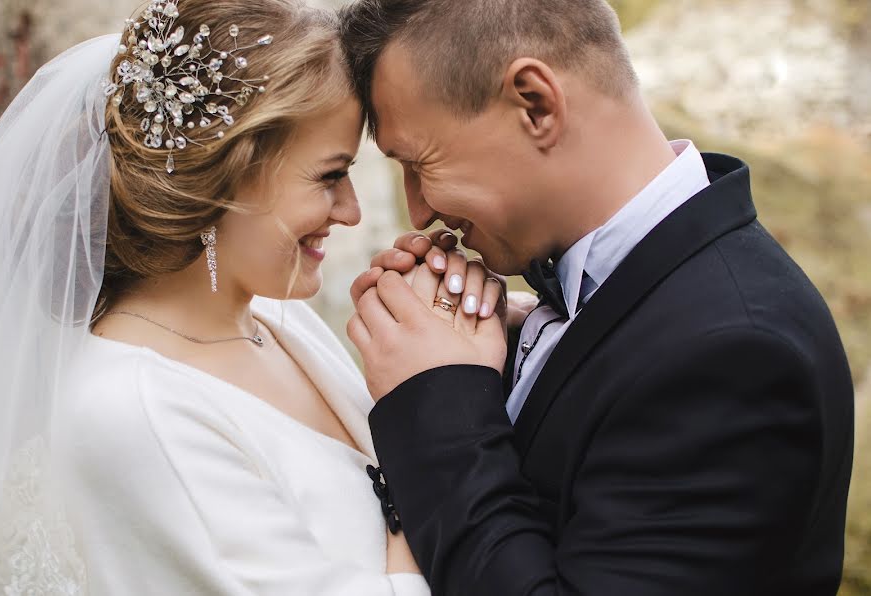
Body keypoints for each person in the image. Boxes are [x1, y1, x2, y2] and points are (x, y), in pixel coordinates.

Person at [0, 0, 501, 593]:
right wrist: (439, 440)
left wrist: (462, 334)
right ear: (225, 179)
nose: (352, 211)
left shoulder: (275, 317)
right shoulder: (133, 412)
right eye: (329, 176)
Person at [340, 1, 855, 595]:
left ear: (535, 104)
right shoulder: (632, 300)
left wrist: (437, 397)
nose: (420, 212)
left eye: (419, 163)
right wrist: (501, 351)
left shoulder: (738, 354)